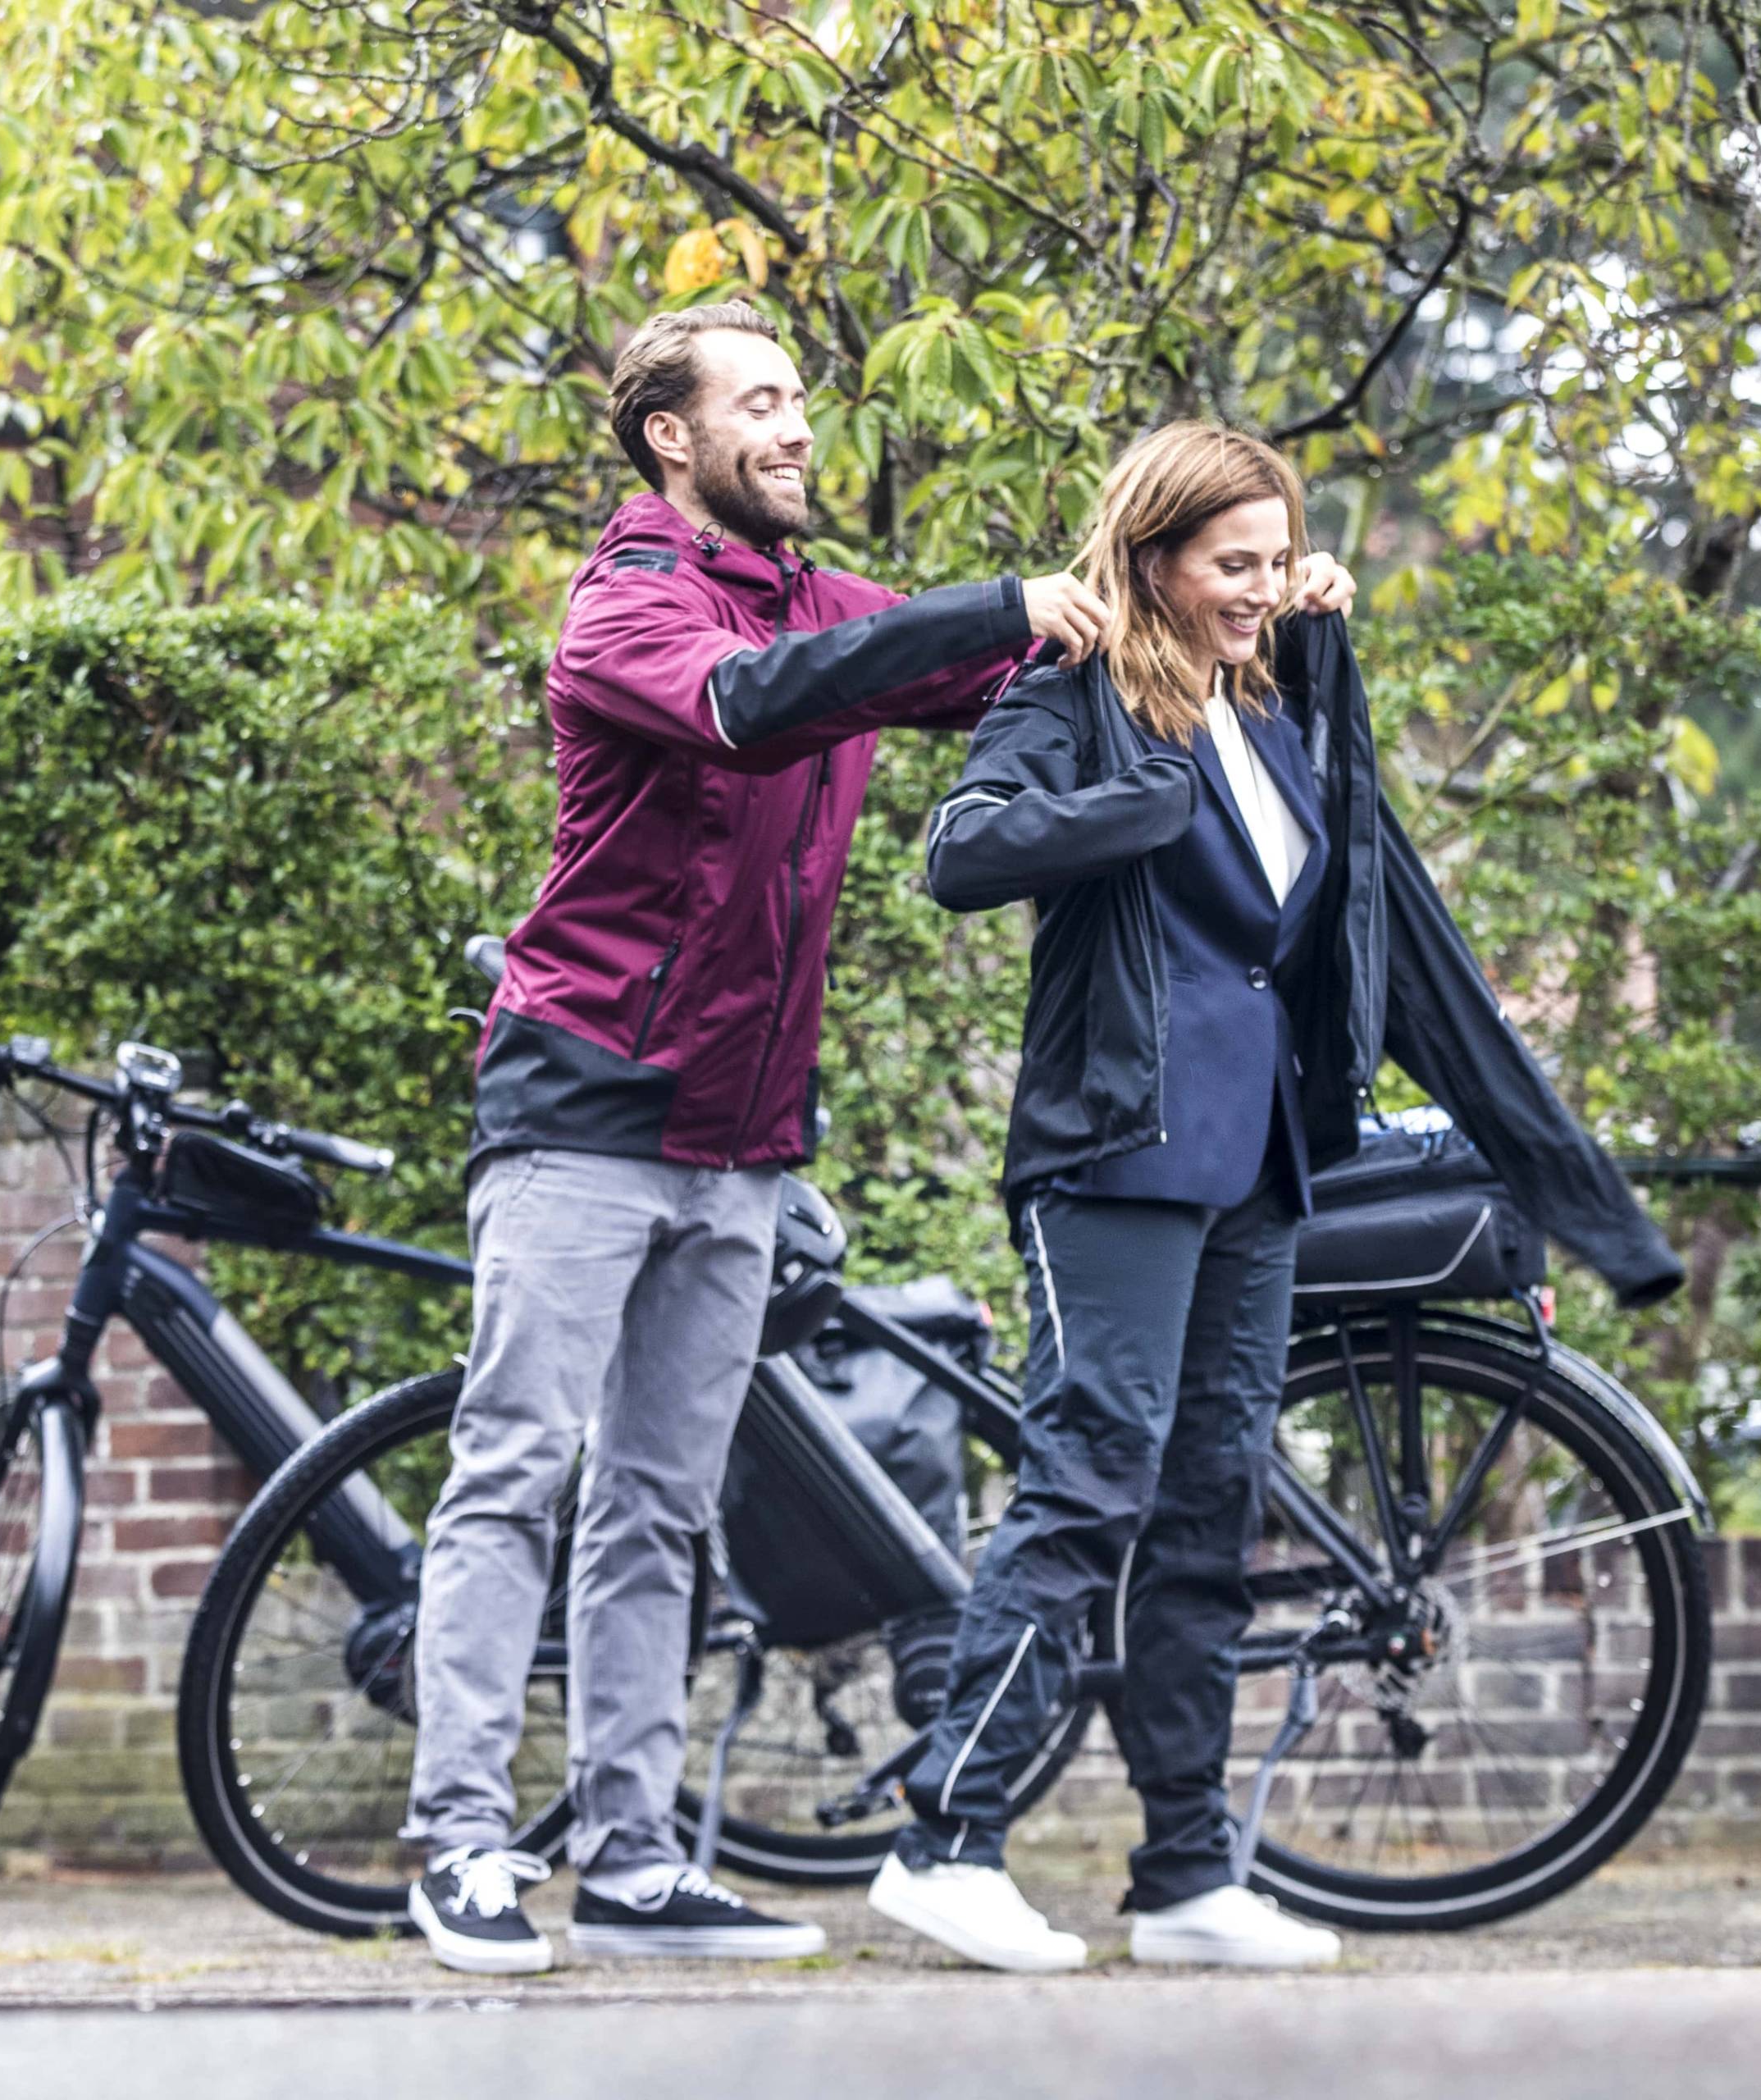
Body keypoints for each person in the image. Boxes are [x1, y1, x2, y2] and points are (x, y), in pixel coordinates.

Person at [405, 301, 1248, 1977]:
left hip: (742, 1136)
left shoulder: (816, 599)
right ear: (675, 436)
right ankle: (459, 1844)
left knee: (657, 1503)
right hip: (583, 1104)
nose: (797, 429)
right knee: (513, 1472)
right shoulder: (628, 603)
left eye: (802, 401)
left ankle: (636, 1862)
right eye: (764, 403)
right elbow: (756, 702)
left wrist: (1232, 591)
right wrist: (994, 603)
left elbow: (983, 661)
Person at [866, 422, 1684, 1974]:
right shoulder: (1074, 699)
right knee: (1092, 1478)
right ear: (1156, 560)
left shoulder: (1271, 710)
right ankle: (944, 1841)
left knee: (1206, 1509)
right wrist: (1134, 807)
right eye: (1230, 565)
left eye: (1274, 560)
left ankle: (1184, 1874)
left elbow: (1327, 916)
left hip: (1256, 1167)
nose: (1260, 587)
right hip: (1114, 1151)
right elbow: (961, 853)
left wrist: (1301, 652)